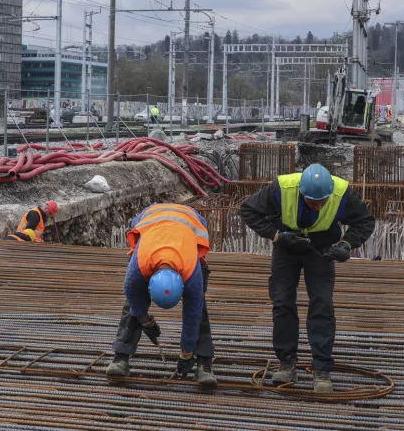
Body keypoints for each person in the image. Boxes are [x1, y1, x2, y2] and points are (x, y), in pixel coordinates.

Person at [240, 164, 376, 392]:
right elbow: (248, 210)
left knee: (322, 305)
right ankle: (286, 361)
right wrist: (276, 236)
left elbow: (365, 221)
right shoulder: (281, 189)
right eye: (312, 201)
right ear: (301, 192)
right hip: (287, 246)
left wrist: (345, 244)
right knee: (282, 303)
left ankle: (321, 368)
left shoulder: (342, 193)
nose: (318, 205)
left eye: (322, 201)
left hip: (322, 250)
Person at [105, 203, 217, 391]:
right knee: (133, 301)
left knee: (198, 307)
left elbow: (192, 313)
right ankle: (120, 358)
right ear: (149, 281)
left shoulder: (191, 274)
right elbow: (133, 296)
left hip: (191, 222)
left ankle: (204, 364)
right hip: (149, 219)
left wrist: (186, 353)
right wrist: (144, 319)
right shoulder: (138, 268)